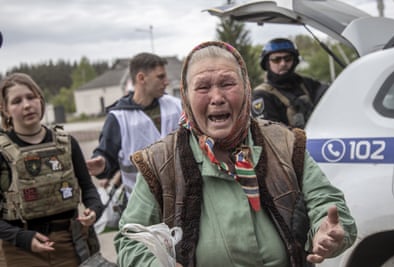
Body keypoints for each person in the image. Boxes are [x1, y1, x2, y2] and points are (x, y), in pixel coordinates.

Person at [114, 41, 357, 267]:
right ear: (186, 95)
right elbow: (130, 240)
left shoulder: (285, 143)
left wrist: (327, 231)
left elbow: (326, 203)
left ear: (246, 88)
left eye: (228, 84)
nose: (217, 98)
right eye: (203, 87)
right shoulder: (160, 162)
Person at [0, 73, 104, 266]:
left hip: (70, 244)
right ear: (5, 110)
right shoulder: (2, 152)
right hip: (19, 251)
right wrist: (22, 238)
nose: (27, 105)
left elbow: (88, 188)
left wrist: (94, 210)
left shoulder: (67, 143)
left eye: (31, 97)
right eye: (16, 101)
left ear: (40, 99)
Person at [86, 52, 182, 199]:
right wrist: (102, 166)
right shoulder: (118, 118)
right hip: (142, 209)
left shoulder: (176, 106)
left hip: (181, 199)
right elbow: (106, 158)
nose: (167, 82)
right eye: (160, 77)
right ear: (141, 78)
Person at [252, 38, 328, 129]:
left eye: (287, 59)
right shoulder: (262, 95)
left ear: (295, 61)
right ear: (267, 63)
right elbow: (269, 134)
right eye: (276, 60)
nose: (283, 63)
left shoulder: (307, 84)